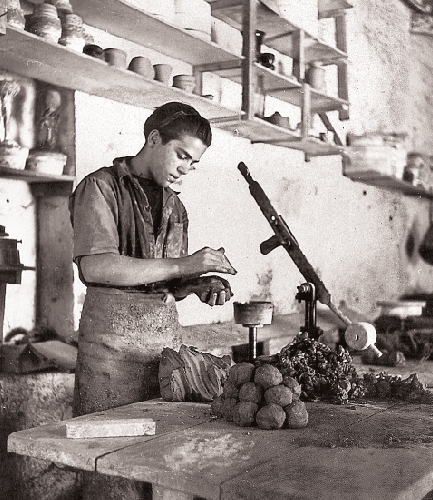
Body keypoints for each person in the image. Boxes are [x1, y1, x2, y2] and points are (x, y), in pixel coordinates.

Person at [68, 101, 237, 499]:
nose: (185, 168)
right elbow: (98, 268)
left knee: (162, 470)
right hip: (110, 359)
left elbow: (165, 281)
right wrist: (186, 264)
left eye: (193, 163)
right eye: (181, 155)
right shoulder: (100, 187)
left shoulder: (176, 208)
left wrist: (195, 283)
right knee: (108, 472)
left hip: (165, 357)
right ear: (154, 139)